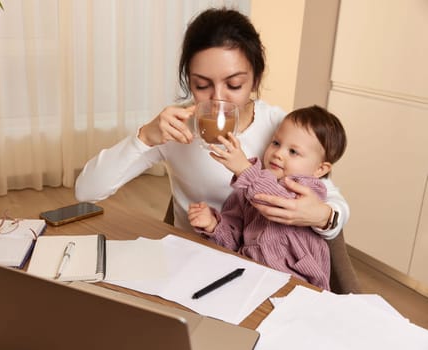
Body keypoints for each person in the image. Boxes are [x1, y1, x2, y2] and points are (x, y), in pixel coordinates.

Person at [75, 7, 349, 240]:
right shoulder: (175, 127)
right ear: (189, 82)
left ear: (255, 80)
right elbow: (86, 191)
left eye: (234, 84)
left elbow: (334, 203)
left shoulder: (279, 128)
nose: (218, 99)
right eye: (202, 85)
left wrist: (323, 216)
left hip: (263, 263)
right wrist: (144, 137)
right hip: (197, 259)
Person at [188, 106, 347, 290]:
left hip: (298, 283)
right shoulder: (246, 190)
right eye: (276, 143)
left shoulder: (310, 190)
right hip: (249, 276)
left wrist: (244, 169)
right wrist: (213, 225)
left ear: (320, 169)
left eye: (293, 152)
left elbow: (279, 202)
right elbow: (231, 242)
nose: (278, 154)